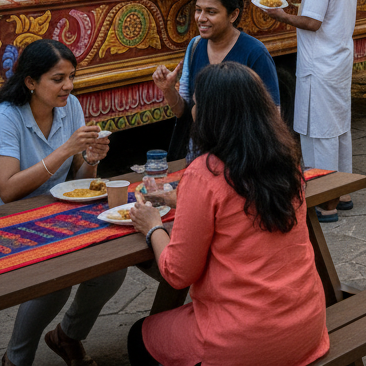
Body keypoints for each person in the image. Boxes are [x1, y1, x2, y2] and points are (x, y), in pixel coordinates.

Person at [128, 63, 329, 366]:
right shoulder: (285, 161)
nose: (193, 110)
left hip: (243, 340)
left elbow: (178, 274)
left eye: (196, 103)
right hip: (305, 326)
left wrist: (152, 226)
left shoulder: (205, 172)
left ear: (212, 114)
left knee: (138, 336)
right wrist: (183, 200)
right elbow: (239, 208)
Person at [0, 39, 123, 366]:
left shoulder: (70, 106)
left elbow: (79, 177)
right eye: (58, 79)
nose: (68, 86)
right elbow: (8, 190)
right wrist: (66, 150)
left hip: (46, 217)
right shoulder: (4, 118)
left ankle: (68, 336)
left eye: (71, 77)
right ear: (31, 82)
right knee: (56, 278)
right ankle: (16, 359)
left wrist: (91, 159)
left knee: (111, 266)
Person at [260, 0, 357, 221]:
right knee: (339, 126)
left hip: (320, 63)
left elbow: (313, 23)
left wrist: (282, 16)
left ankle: (326, 201)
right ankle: (343, 191)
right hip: (338, 58)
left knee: (320, 131)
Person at [152, 0, 281, 160]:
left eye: (211, 12)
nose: (201, 18)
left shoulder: (255, 53)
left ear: (233, 15)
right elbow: (185, 113)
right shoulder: (195, 46)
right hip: (200, 158)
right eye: (198, 10)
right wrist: (168, 89)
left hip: (240, 159)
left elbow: (273, 117)